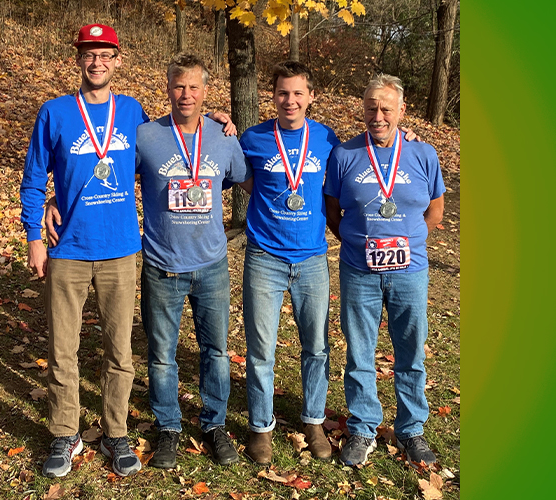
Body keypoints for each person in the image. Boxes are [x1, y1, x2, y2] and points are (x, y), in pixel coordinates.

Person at [20, 24, 234, 479]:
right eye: (89, 55)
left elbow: (175, 136)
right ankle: (65, 432)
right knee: (63, 349)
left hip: (121, 250)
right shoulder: (54, 113)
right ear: (79, 59)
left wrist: (216, 118)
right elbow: (35, 177)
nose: (96, 63)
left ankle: (116, 430)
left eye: (105, 55)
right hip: (68, 250)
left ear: (118, 60)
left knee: (120, 350)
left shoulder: (133, 112)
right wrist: (35, 236)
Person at [324, 74, 445, 467]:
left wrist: (408, 239)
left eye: (386, 108)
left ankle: (411, 429)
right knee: (359, 351)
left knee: (410, 351)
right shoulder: (344, 155)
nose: (378, 115)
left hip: (411, 270)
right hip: (359, 270)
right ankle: (362, 427)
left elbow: (436, 210)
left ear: (401, 111)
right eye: (371, 107)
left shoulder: (423, 153)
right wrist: (358, 242)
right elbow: (332, 212)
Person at [135, 54, 249, 469]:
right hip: (162, 264)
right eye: (179, 86)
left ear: (206, 90)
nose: (186, 94)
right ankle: (168, 427)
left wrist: (229, 126)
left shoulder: (222, 135)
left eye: (194, 87)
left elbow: (242, 177)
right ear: (168, 88)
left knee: (216, 351)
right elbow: (106, 174)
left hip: (212, 265)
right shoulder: (145, 136)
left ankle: (214, 423)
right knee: (162, 354)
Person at [236, 61, 340, 465]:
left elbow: (368, 151)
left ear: (310, 97)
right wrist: (218, 121)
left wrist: (408, 133)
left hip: (312, 258)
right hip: (264, 257)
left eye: (298, 93)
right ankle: (261, 427)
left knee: (316, 346)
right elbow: (243, 177)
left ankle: (313, 420)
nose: (290, 100)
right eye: (282, 93)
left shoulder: (328, 139)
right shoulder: (254, 138)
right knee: (261, 349)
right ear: (272, 96)